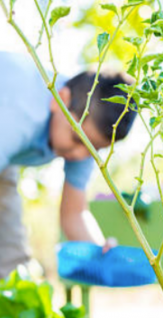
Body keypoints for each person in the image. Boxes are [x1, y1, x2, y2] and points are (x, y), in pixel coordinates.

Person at [0, 51, 136, 279]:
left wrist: (99, 250)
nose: (80, 154)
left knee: (11, 261)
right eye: (77, 140)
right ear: (60, 100)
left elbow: (74, 214)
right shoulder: (21, 115)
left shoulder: (82, 131)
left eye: (93, 148)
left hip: (6, 157)